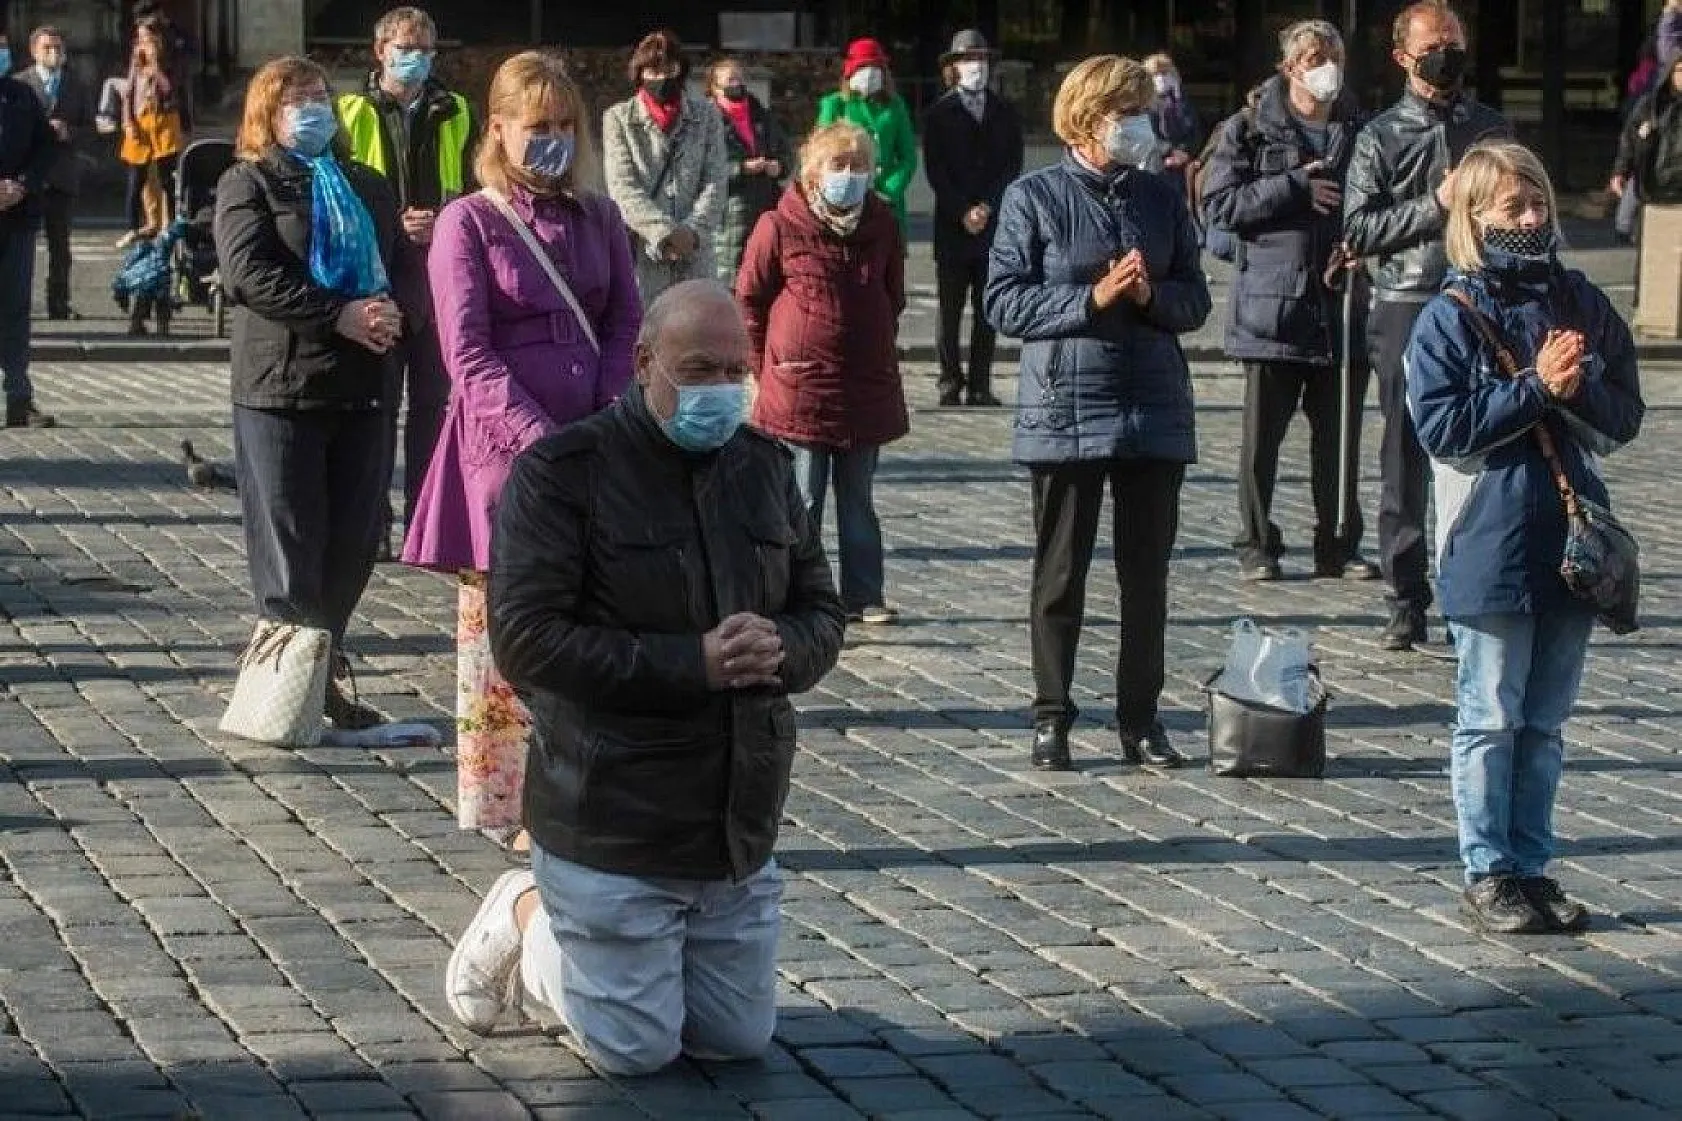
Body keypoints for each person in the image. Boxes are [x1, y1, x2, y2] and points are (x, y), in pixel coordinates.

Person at [442, 280, 844, 1074]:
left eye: (736, 368)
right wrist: (689, 662)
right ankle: (530, 914)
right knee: (636, 1049)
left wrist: (786, 647)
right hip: (612, 813)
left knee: (735, 1040)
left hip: (732, 823)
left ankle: (646, 959)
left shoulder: (765, 467)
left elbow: (822, 608)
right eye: (700, 368)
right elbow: (526, 641)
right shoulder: (563, 472)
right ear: (644, 362)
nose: (723, 388)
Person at [1405, 140, 1643, 933]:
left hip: (1571, 541)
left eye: (1539, 203)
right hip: (1489, 540)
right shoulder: (1448, 316)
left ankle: (1534, 866)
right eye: (1515, 207)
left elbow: (1625, 417)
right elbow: (1446, 428)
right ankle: (1489, 870)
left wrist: (1575, 388)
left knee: (1544, 724)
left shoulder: (1580, 299)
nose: (1533, 218)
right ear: (1474, 218)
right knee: (1491, 716)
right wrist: (1534, 385)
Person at [402, 51, 640, 841]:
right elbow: (467, 355)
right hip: (505, 460)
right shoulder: (467, 224)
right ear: (497, 129)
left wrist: (608, 415)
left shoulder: (600, 218)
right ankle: (513, 805)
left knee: (594, 624)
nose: (554, 141)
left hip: (596, 444)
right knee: (511, 642)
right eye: (538, 128)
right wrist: (542, 442)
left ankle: (589, 787)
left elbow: (624, 324)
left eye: (565, 127)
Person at [985, 55, 1211, 773]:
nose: (1142, 125)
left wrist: (1150, 299)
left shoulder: (1162, 196)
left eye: (1145, 110)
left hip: (1152, 407)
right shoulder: (1034, 197)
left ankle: (1140, 718)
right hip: (1066, 408)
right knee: (1060, 576)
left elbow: (1195, 298)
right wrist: (1092, 298)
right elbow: (1006, 301)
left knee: (1147, 580)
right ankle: (1052, 715)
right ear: (1089, 118)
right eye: (1128, 112)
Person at [214, 56, 401, 731]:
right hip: (282, 387)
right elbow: (247, 273)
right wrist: (336, 313)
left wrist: (391, 311)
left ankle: (324, 667)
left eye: (322, 96)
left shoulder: (366, 183)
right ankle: (288, 690)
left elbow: (400, 271)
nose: (315, 107)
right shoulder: (249, 182)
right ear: (270, 113)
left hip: (363, 387)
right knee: (292, 544)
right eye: (298, 99)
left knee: (351, 545)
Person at [1342, 0, 1508, 651]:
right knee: (1406, 455)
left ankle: (1482, 580)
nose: (1447, 55)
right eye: (1434, 45)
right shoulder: (1379, 136)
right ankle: (1405, 593)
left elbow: (1526, 205)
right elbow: (1358, 227)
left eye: (1455, 43)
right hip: (1408, 299)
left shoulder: (1492, 128)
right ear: (1403, 56)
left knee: (1491, 450)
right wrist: (1433, 204)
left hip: (1485, 297)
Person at [1202, 20, 1378, 584]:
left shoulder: (1362, 128)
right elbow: (1222, 206)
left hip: (1340, 305)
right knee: (1262, 443)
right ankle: (1256, 542)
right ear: (1289, 67)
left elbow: (1384, 201)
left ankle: (1338, 544)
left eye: (1332, 56)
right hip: (1272, 306)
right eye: (1311, 56)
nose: (1324, 65)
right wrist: (1294, 185)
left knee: (1340, 440)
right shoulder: (1248, 129)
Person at [737, 121, 907, 627]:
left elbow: (893, 296)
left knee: (859, 499)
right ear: (814, 170)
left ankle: (864, 594)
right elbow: (750, 298)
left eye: (860, 166)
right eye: (839, 165)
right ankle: (796, 594)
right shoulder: (779, 224)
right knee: (803, 499)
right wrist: (762, 363)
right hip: (799, 385)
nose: (850, 175)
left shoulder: (882, 224)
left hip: (865, 385)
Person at [335, 5, 479, 557]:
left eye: (424, 47)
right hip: (373, 269)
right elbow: (338, 191)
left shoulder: (457, 110)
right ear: (380, 51)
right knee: (375, 405)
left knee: (434, 404)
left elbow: (473, 180)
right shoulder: (349, 111)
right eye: (403, 45)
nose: (414, 56)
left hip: (438, 269)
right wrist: (390, 221)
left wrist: (446, 219)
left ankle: (426, 522)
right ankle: (370, 522)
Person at [922, 29, 1024, 409]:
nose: (975, 67)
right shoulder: (939, 113)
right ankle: (950, 380)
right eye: (968, 60)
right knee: (949, 311)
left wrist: (988, 206)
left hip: (991, 225)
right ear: (953, 67)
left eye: (981, 60)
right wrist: (963, 209)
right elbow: (936, 171)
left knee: (988, 309)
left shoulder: (1004, 111)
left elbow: (1012, 164)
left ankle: (980, 383)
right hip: (952, 223)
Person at [602, 28, 728, 307]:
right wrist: (664, 233)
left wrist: (693, 233)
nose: (661, 78)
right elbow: (622, 187)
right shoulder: (618, 119)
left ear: (681, 69)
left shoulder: (707, 115)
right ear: (639, 73)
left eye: (669, 68)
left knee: (697, 332)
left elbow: (716, 180)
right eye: (652, 70)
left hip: (697, 255)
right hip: (643, 254)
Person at [0, 24, 55, 430]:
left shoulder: (21, 95)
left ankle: (19, 396)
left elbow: (45, 146)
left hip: (17, 217)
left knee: (16, 309)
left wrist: (21, 184)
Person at [19, 27, 92, 322]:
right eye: (48, 48)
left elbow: (91, 129)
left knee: (60, 247)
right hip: (27, 179)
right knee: (20, 246)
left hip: (62, 176)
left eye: (59, 48)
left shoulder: (76, 84)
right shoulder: (19, 83)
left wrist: (69, 132)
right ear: (34, 50)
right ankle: (17, 304)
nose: (55, 53)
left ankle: (58, 303)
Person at [815, 38, 918, 245]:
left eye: (875, 67)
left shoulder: (895, 106)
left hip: (886, 202)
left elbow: (908, 157)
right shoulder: (835, 104)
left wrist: (888, 190)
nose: (870, 73)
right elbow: (821, 154)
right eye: (863, 67)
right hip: (845, 201)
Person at [706, 58, 790, 283]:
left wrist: (779, 166)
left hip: (767, 204)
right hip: (729, 214)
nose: (737, 84)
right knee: (732, 279)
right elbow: (703, 170)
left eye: (741, 79)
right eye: (731, 80)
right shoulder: (706, 122)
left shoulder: (761, 114)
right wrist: (742, 169)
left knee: (765, 275)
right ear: (715, 88)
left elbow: (785, 152)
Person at [118, 16, 188, 246]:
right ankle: (132, 227)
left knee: (167, 177)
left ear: (159, 38)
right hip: (141, 120)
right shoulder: (135, 60)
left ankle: (168, 225)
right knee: (135, 178)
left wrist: (155, 69)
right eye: (140, 38)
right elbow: (128, 91)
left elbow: (170, 89)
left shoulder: (173, 59)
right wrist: (128, 122)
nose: (143, 43)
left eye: (148, 38)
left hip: (165, 120)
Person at [1613, 55, 1682, 211]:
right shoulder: (1650, 106)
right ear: (1670, 73)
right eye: (1679, 70)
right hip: (1652, 183)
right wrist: (1620, 171)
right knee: (1624, 224)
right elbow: (1629, 140)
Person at [1144, 53, 1200, 185]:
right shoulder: (1145, 105)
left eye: (1164, 73)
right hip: (1156, 163)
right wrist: (1170, 151)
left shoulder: (1181, 101)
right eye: (1155, 75)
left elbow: (1195, 130)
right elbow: (1148, 135)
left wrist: (1185, 152)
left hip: (1184, 163)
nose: (1161, 78)